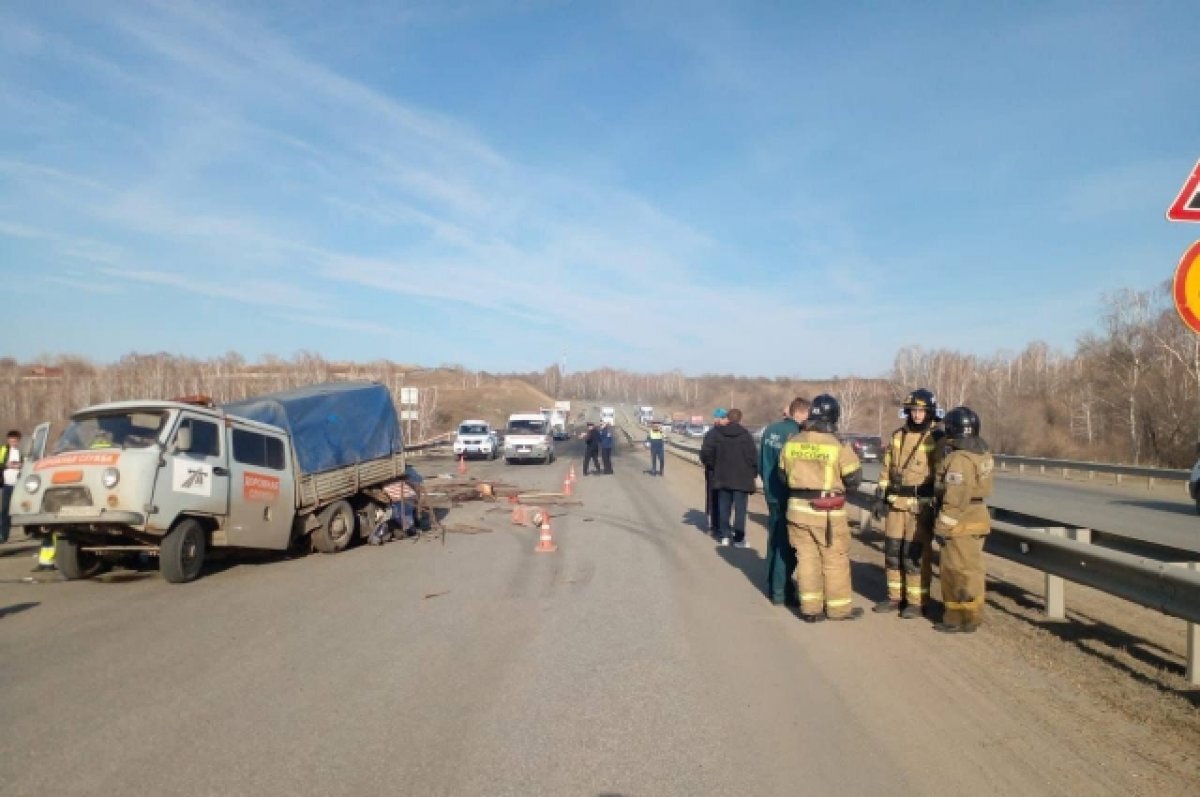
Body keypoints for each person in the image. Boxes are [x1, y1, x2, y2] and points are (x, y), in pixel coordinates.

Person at [779, 394, 864, 622]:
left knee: (806, 559)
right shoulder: (838, 446)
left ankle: (811, 609)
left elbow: (781, 475)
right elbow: (854, 479)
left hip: (797, 511)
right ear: (834, 417)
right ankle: (838, 610)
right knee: (834, 560)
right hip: (827, 513)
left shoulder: (793, 441)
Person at [872, 388, 941, 618]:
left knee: (915, 556)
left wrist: (935, 503)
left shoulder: (936, 438)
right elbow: (887, 468)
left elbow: (941, 474)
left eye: (922, 411)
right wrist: (880, 494)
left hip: (918, 507)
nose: (917, 415)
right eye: (913, 410)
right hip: (895, 504)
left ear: (929, 412)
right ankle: (894, 597)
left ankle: (917, 601)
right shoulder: (897, 435)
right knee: (892, 552)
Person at [932, 407, 994, 633]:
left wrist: (942, 526)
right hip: (978, 517)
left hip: (960, 521)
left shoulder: (959, 459)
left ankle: (956, 618)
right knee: (972, 570)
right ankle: (972, 615)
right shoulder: (983, 452)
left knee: (954, 571)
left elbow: (955, 496)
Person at [759, 397, 809, 605]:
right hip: (788, 496)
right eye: (808, 414)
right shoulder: (798, 435)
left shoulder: (769, 430)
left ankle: (772, 584)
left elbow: (761, 462)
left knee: (774, 540)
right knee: (787, 545)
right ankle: (781, 590)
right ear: (801, 413)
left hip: (771, 493)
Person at [702, 408, 758, 547]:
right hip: (741, 479)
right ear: (740, 419)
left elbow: (707, 453)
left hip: (722, 476)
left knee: (723, 508)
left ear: (728, 418)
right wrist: (753, 473)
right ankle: (739, 539)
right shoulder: (746, 436)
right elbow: (753, 457)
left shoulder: (717, 434)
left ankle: (725, 536)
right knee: (740, 510)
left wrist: (714, 467)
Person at [699, 408, 728, 534]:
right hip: (716, 471)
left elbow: (704, 454)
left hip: (715, 470)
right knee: (717, 497)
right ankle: (715, 524)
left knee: (716, 497)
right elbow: (705, 454)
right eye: (722, 418)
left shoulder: (716, 434)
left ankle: (717, 524)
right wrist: (712, 465)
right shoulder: (713, 434)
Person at [1, 430, 21, 544]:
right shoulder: (4, 450)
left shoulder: (22, 451)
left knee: (21, 509)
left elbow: (27, 463)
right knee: (5, 510)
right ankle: (4, 534)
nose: (13, 443)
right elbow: (0, 463)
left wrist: (20, 465)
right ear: (8, 440)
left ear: (19, 441)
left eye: (15, 441)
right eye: (11, 440)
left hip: (18, 485)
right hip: (7, 484)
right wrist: (6, 465)